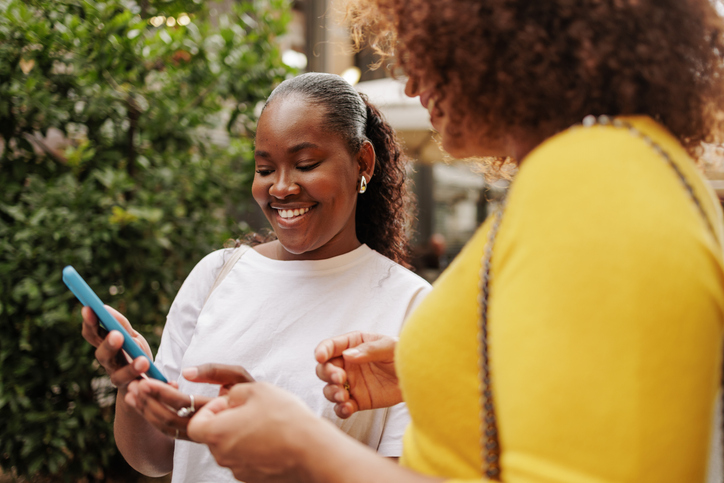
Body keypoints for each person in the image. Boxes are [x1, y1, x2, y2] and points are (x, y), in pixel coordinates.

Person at [184, 1, 724, 482]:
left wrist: (305, 449)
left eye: (425, 51)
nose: (414, 85)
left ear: (500, 34)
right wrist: (443, 374)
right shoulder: (614, 166)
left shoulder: (597, 185)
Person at [80, 72, 432, 482]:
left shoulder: (410, 306)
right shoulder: (216, 274)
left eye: (305, 164)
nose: (280, 188)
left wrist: (283, 447)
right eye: (265, 169)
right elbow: (156, 458)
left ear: (362, 163)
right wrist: (131, 387)